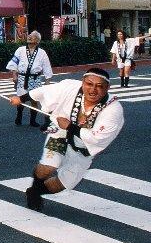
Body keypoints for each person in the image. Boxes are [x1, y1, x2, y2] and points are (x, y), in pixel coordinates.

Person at [10, 68, 123, 212]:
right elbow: (44, 91)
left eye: (99, 86)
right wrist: (20, 99)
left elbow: (97, 138)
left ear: (107, 88)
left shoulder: (113, 110)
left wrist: (70, 126)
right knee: (48, 167)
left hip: (84, 148)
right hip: (60, 133)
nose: (93, 90)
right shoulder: (70, 87)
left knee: (61, 185)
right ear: (83, 82)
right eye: (89, 84)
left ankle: (35, 191)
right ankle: (36, 185)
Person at [6, 31, 53, 127]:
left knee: (34, 99)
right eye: (29, 35)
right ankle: (19, 117)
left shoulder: (42, 53)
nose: (29, 37)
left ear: (38, 41)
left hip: (35, 79)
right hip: (22, 78)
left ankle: (33, 120)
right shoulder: (20, 50)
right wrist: (14, 75)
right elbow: (14, 62)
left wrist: (47, 82)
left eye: (33, 36)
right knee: (21, 99)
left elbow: (47, 67)